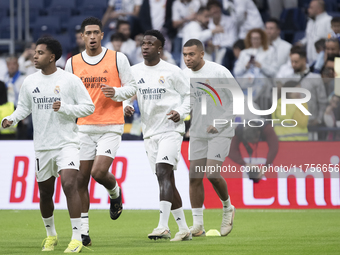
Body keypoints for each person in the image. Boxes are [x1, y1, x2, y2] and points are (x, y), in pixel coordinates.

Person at [1, 37, 95, 253]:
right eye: (35, 52)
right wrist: (11, 119)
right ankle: (51, 235)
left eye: (40, 53)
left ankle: (76, 237)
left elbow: (88, 107)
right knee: (45, 193)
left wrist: (66, 108)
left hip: (67, 143)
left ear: (52, 57)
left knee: (70, 184)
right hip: (42, 146)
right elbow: (23, 108)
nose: (35, 56)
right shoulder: (29, 81)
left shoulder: (70, 80)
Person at [111, 30, 192, 241]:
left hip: (171, 130)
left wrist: (181, 113)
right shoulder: (134, 71)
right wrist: (127, 106)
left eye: (150, 43)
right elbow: (127, 95)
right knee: (166, 180)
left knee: (163, 172)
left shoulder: (173, 71)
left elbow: (190, 96)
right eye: (143, 43)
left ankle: (163, 226)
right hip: (149, 133)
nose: (145, 46)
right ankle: (183, 229)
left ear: (159, 48)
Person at [64, 17, 137, 246]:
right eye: (89, 33)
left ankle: (115, 194)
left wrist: (116, 94)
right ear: (83, 36)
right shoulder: (72, 63)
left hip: (110, 125)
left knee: (98, 172)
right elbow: (67, 97)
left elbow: (133, 87)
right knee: (80, 180)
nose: (93, 36)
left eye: (96, 32)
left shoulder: (118, 58)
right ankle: (84, 232)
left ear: (102, 35)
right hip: (83, 127)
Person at [182, 38, 236, 237]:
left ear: (202, 54)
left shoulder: (219, 72)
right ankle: (198, 225)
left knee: (212, 173)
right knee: (194, 178)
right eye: (185, 55)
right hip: (197, 133)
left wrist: (220, 122)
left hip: (220, 131)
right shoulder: (184, 75)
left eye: (192, 54)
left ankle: (228, 208)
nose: (188, 58)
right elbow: (186, 102)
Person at [297, 0, 332, 65]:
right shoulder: (310, 22)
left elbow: (331, 36)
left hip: (322, 60)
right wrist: (301, 43)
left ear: (319, 9)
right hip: (310, 60)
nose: (308, 10)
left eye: (311, 7)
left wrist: (327, 40)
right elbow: (308, 37)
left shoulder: (328, 20)